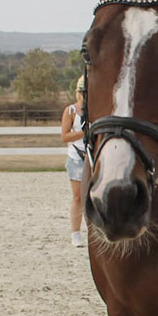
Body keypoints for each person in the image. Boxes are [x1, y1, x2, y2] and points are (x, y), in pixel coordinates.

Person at [60, 76, 86, 247]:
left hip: (94, 156)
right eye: (82, 92)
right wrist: (84, 132)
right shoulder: (70, 111)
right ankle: (75, 233)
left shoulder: (98, 110)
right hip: (77, 157)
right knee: (78, 197)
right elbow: (65, 136)